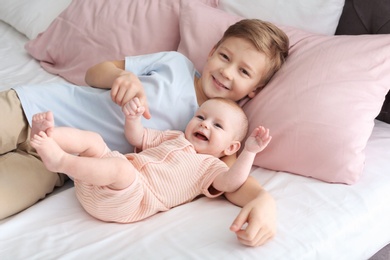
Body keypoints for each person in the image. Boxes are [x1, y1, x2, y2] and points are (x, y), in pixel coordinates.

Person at [0, 18, 289, 246]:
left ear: (255, 90)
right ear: (212, 51)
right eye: (225, 57)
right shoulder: (176, 65)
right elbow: (94, 73)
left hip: (55, 164)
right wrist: (121, 77)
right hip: (33, 109)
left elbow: (233, 181)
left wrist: (264, 200)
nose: (227, 72)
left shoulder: (217, 134)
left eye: (244, 72)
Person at [29, 97, 272, 224]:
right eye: (200, 116)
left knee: (121, 168)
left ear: (230, 147)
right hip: (98, 179)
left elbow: (231, 182)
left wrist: (250, 152)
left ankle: (60, 161)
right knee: (93, 140)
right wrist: (133, 118)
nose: (204, 124)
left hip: (132, 199)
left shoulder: (212, 167)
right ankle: (47, 136)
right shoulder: (174, 136)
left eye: (217, 125)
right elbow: (137, 137)